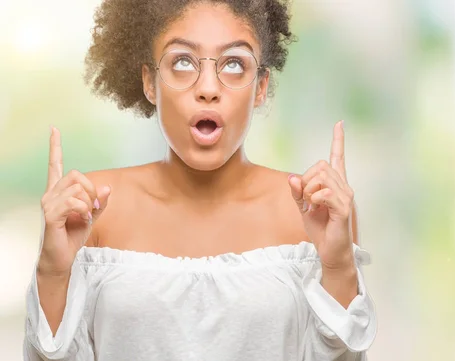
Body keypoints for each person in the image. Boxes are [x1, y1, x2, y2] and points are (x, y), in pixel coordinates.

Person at [23, 0, 377, 360]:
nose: (208, 88)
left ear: (260, 86)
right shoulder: (93, 208)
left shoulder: (313, 211)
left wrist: (337, 266)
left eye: (234, 63)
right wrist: (51, 273)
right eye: (182, 61)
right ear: (149, 81)